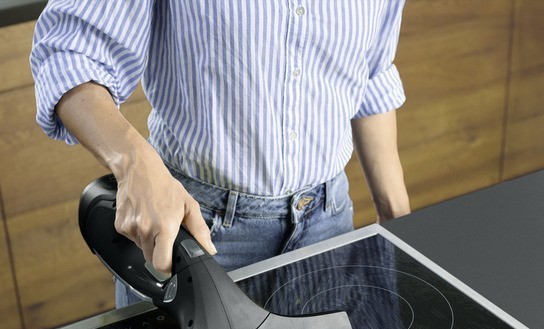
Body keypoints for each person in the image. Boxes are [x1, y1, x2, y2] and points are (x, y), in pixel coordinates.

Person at [30, 1, 410, 307]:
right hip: (198, 235)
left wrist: (400, 224)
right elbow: (70, 54)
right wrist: (134, 164)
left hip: (330, 229)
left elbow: (372, 72)